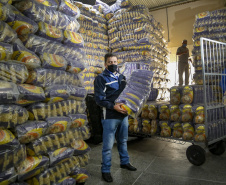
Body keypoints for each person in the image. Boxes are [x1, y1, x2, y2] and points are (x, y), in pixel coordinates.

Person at [94, 53, 137, 183]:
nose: (113, 64)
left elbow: (128, 94)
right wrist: (113, 106)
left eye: (115, 61)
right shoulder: (101, 78)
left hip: (123, 115)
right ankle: (105, 170)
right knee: (108, 146)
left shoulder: (122, 77)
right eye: (110, 62)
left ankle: (125, 162)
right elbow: (99, 100)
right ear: (105, 64)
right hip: (110, 116)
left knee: (123, 141)